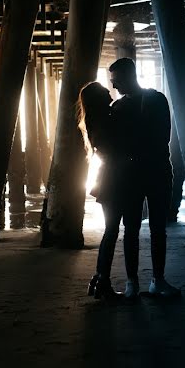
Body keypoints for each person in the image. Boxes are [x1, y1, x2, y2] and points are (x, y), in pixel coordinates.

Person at [108, 57, 181, 298]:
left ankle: (152, 281)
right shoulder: (151, 101)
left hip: (149, 171)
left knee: (155, 227)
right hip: (147, 170)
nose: (115, 87)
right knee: (133, 228)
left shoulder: (149, 101)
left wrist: (131, 145)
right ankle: (135, 282)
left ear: (130, 77)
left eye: (116, 81)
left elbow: (163, 137)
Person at [78, 81, 127, 301]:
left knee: (111, 230)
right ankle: (102, 281)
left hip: (106, 178)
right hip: (113, 180)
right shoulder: (106, 120)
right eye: (106, 91)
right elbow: (119, 147)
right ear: (100, 98)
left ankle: (98, 279)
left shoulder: (95, 120)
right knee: (112, 230)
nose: (111, 91)